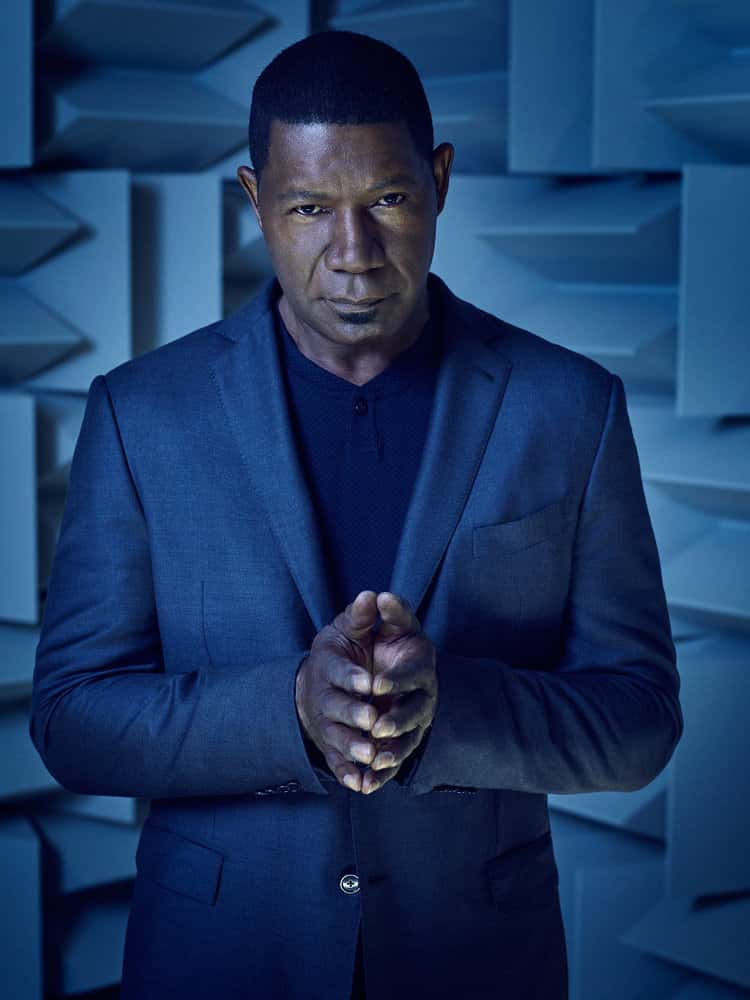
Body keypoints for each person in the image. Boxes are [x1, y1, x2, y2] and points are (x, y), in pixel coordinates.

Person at [29, 29, 683, 1000]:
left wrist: (447, 707)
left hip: (476, 968)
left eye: (387, 200)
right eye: (308, 208)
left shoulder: (569, 408)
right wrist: (290, 711)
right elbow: (73, 719)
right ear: (255, 200)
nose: (354, 254)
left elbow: (640, 720)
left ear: (440, 181)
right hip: (218, 963)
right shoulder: (141, 414)